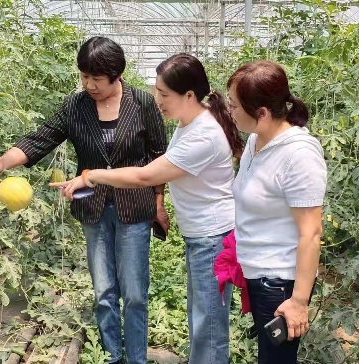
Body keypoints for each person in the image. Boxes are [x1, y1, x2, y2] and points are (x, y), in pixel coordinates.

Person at [50, 53, 243, 364]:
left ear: (189, 95)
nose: (157, 100)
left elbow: (145, 175)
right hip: (203, 237)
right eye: (156, 91)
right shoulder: (189, 123)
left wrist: (91, 175)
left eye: (164, 94)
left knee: (207, 327)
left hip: (212, 239)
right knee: (201, 320)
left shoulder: (204, 135)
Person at [0, 37, 168, 364]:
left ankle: (137, 359)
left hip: (135, 208)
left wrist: (158, 202)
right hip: (93, 208)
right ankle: (113, 355)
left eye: (95, 78)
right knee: (104, 292)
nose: (88, 84)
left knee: (136, 294)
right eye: (84, 76)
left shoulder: (142, 103)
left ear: (116, 74)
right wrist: (2, 162)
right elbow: (41, 138)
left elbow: (159, 157)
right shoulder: (76, 105)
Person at [226, 60, 326, 364]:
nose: (229, 110)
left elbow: (311, 233)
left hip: (280, 283)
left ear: (262, 113)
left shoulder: (298, 155)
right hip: (258, 273)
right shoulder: (257, 140)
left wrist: (298, 302)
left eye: (233, 105)